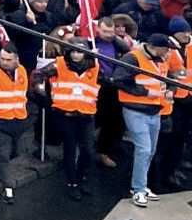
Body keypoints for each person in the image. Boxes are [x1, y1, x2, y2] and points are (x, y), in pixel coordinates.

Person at [114, 31, 183, 207]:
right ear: (156, 47)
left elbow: (169, 80)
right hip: (136, 110)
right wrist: (145, 92)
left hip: (155, 111)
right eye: (166, 49)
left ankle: (141, 186)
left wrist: (170, 90)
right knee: (144, 150)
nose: (169, 52)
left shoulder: (160, 60)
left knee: (150, 150)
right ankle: (138, 189)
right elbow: (119, 79)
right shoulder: (133, 58)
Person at [38, 40, 102, 200]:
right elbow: (38, 75)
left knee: (88, 150)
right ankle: (72, 183)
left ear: (86, 53)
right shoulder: (59, 64)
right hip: (65, 115)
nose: (75, 55)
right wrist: (43, 96)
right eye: (72, 51)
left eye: (79, 52)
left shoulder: (95, 66)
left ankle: (80, 177)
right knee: (70, 150)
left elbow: (107, 79)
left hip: (86, 116)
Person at [0, 45, 32, 203]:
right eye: (2, 58)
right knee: (4, 153)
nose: (4, 62)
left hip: (18, 120)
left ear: (16, 59)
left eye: (8, 59)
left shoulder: (22, 71)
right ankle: (8, 188)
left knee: (16, 151)